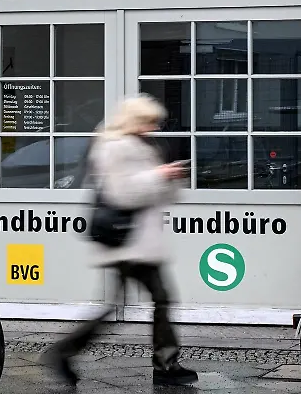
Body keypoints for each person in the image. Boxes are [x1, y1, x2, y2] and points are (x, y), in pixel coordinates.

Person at [41, 94, 198, 387]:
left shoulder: (143, 146)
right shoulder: (114, 147)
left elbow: (161, 195)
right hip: (126, 241)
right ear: (135, 120)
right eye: (149, 121)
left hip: (141, 241)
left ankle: (65, 352)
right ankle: (164, 364)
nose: (155, 127)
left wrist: (171, 177)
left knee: (140, 301)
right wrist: (159, 174)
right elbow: (122, 193)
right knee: (156, 299)